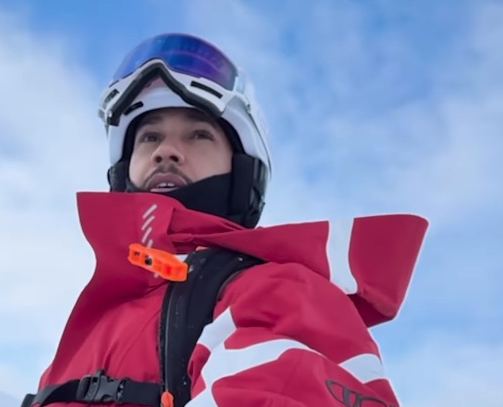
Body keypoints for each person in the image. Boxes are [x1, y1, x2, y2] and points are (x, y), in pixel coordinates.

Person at [21, 33, 428, 407]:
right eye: (149, 137)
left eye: (198, 135)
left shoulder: (275, 290)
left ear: (242, 172)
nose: (167, 151)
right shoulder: (100, 321)